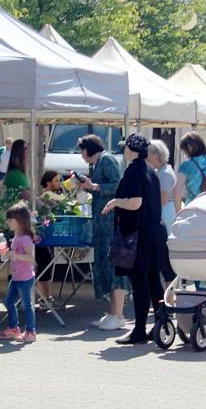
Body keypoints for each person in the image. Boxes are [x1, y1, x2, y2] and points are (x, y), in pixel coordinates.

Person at [102, 134, 166, 345]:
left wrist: (115, 202)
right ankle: (162, 325)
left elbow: (136, 202)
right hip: (152, 234)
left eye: (126, 148)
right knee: (153, 281)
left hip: (137, 236)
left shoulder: (134, 171)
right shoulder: (150, 170)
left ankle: (139, 330)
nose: (123, 151)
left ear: (133, 150)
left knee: (140, 283)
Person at [75, 134, 129, 331]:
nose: (81, 154)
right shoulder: (99, 162)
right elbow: (100, 189)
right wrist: (89, 188)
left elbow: (117, 186)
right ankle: (112, 312)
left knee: (113, 267)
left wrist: (94, 186)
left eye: (82, 150)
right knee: (106, 267)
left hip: (111, 222)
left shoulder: (106, 160)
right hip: (103, 222)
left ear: (89, 148)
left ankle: (118, 314)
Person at [0, 203, 37, 343]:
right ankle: (14, 328)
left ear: (19, 220)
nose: (8, 222)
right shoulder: (17, 235)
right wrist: (9, 254)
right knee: (9, 301)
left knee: (27, 305)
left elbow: (31, 258)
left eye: (10, 220)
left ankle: (31, 331)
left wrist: (15, 255)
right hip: (16, 277)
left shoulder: (25, 238)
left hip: (25, 278)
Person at [146, 139, 177, 284]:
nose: (146, 157)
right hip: (165, 212)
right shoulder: (163, 170)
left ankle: (169, 297)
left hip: (164, 214)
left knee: (163, 256)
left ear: (156, 155)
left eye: (148, 154)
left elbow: (162, 199)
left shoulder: (164, 173)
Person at [35, 170, 61, 303]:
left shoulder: (55, 196)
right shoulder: (45, 197)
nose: (59, 183)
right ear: (48, 183)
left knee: (46, 262)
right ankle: (43, 296)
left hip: (48, 236)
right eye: (56, 181)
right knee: (43, 261)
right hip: (40, 236)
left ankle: (46, 296)